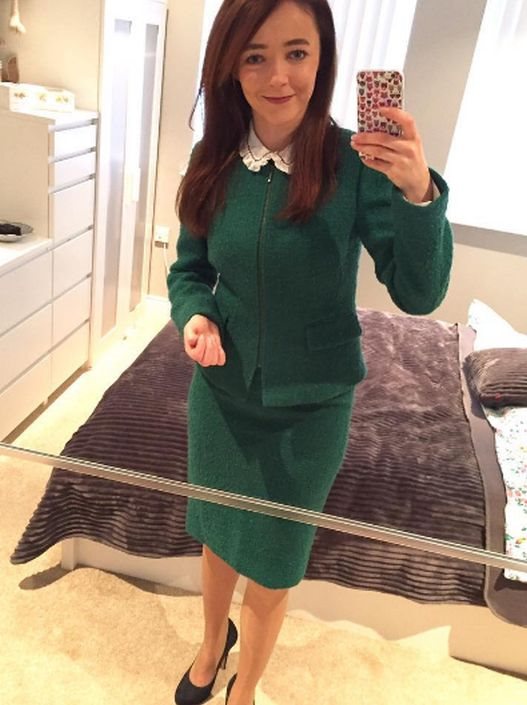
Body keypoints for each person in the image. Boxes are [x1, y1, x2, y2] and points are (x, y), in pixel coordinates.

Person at [167, 1, 452, 703]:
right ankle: (211, 645)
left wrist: (418, 193)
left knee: (272, 565)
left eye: (296, 52)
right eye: (255, 56)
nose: (278, 77)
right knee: (216, 537)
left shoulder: (355, 164)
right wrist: (196, 315)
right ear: (230, 67)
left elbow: (418, 293)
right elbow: (189, 270)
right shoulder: (211, 161)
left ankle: (243, 691)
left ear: (321, 59)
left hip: (312, 405)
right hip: (222, 395)